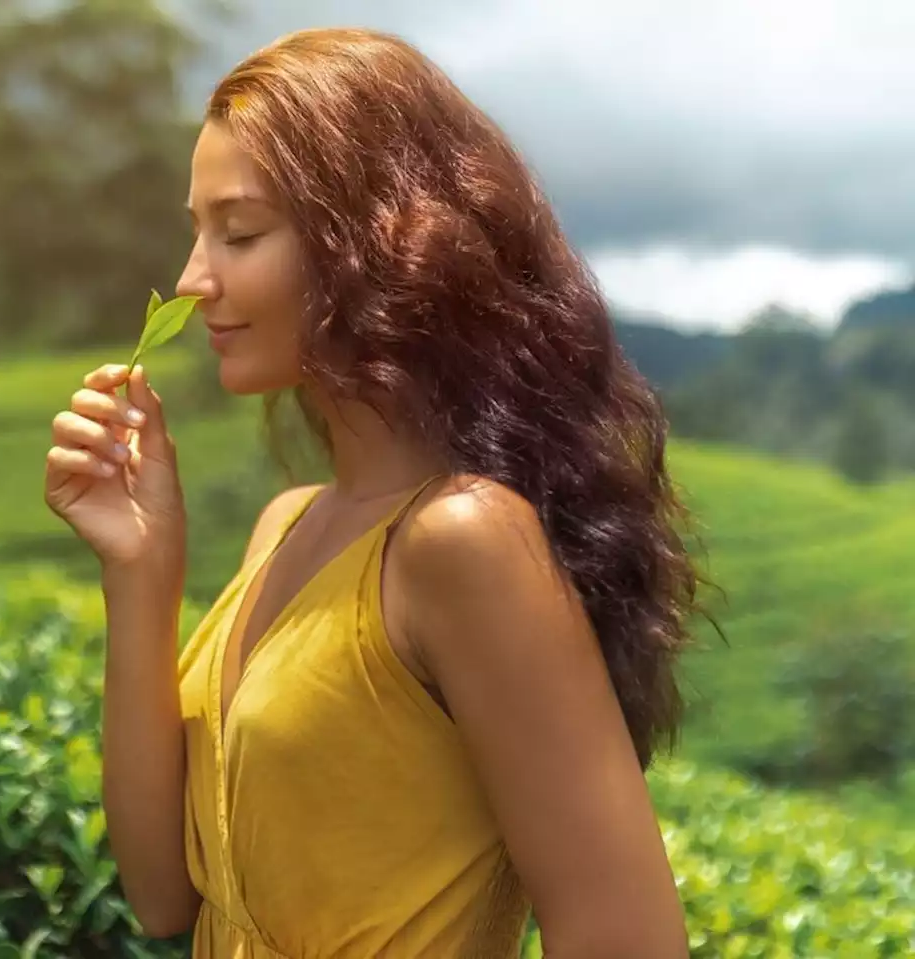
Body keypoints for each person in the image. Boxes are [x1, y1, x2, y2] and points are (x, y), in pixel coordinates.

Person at [45, 26, 699, 959]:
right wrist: (141, 567)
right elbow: (164, 896)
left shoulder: (463, 541)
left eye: (239, 232)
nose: (194, 279)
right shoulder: (287, 525)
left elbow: (627, 941)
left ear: (375, 240)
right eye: (197, 232)